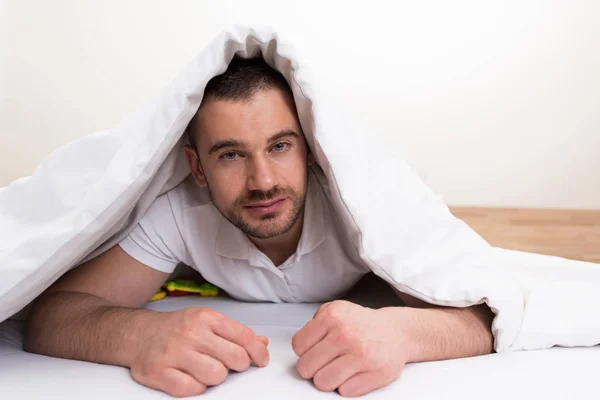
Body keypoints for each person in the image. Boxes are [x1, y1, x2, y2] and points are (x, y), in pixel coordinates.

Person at [24, 56, 495, 398]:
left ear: (311, 148)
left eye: (280, 146)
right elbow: (53, 316)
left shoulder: (362, 206)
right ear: (197, 168)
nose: (263, 181)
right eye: (231, 154)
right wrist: (139, 335)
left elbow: (486, 314)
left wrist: (402, 334)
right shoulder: (178, 211)